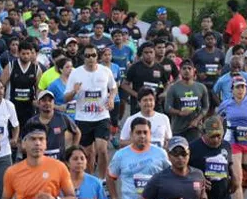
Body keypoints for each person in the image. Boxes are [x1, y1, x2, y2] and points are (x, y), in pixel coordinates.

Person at [64, 44, 117, 178]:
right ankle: (90, 179)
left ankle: (103, 179)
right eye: (87, 56)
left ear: (97, 57)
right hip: (83, 118)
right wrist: (74, 92)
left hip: (102, 116)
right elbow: (65, 98)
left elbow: (114, 88)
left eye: (93, 55)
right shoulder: (76, 73)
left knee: (102, 149)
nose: (91, 58)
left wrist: (111, 98)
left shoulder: (105, 71)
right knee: (88, 153)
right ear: (83, 57)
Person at [2, 40, 42, 160]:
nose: (25, 56)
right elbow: (1, 84)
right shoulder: (11, 66)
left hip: (29, 107)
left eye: (28, 53)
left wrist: (37, 100)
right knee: (13, 134)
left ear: (31, 54)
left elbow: (39, 88)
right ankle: (12, 159)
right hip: (12, 106)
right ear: (19, 53)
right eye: (23, 53)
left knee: (27, 134)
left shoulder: (36, 69)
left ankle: (26, 159)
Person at [27, 90, 81, 160]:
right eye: (44, 100)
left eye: (50, 100)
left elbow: (77, 133)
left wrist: (72, 151)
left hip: (59, 162)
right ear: (38, 103)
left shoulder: (62, 118)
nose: (47, 103)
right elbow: (23, 143)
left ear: (53, 103)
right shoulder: (32, 122)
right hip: (39, 161)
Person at [164, 60, 209, 142]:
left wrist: (197, 120)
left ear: (194, 70)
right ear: (180, 71)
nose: (187, 71)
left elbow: (205, 107)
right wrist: (179, 112)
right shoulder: (173, 88)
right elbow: (167, 107)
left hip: (195, 128)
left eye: (189, 68)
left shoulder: (201, 87)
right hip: (178, 128)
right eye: (184, 68)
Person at [122, 42, 169, 114]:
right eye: (146, 53)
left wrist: (164, 93)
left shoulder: (160, 68)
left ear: (154, 53)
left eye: (151, 52)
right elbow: (124, 85)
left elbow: (166, 84)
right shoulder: (134, 67)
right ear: (142, 54)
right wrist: (136, 94)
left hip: (155, 103)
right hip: (138, 104)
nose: (149, 55)